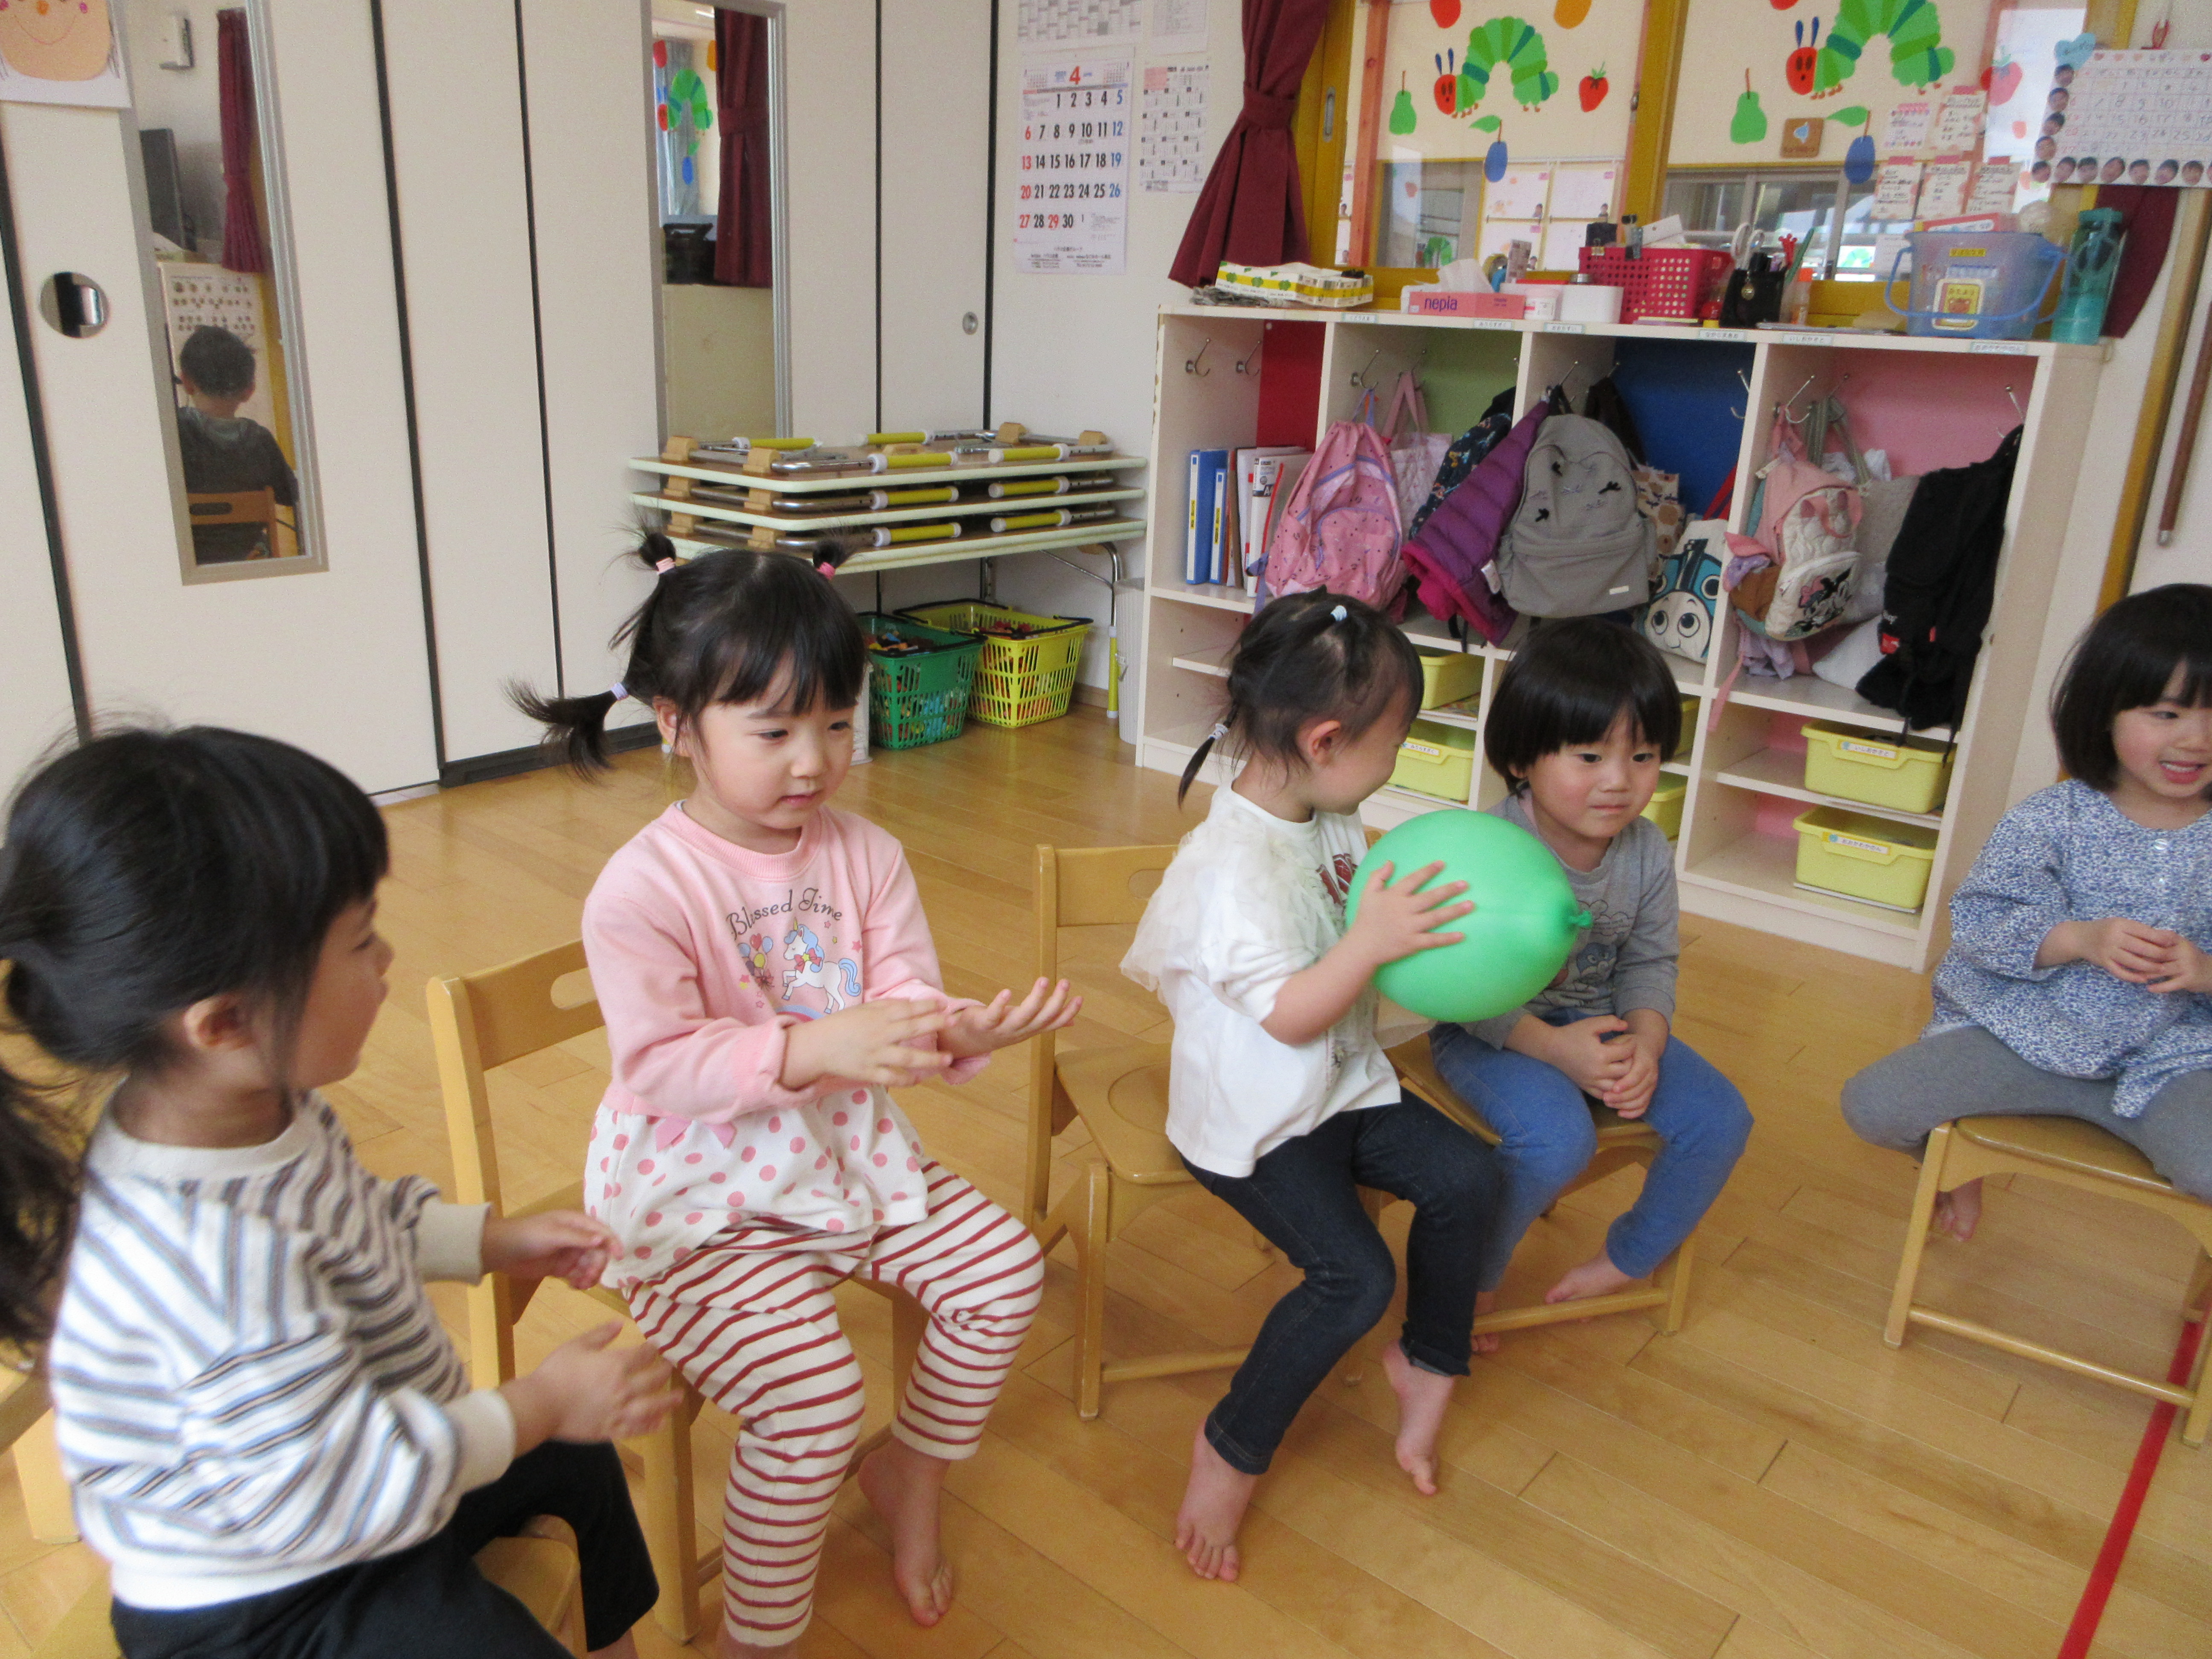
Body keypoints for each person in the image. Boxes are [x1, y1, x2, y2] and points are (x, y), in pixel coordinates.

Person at [515, 535, 1072, 1656]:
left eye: (837, 724)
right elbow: (661, 1065)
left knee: (1005, 1273)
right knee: (814, 1400)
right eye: (773, 732)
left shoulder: (867, 852)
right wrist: (817, 1046)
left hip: (844, 1157)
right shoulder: (642, 887)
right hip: (698, 1199)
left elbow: (902, 992)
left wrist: (949, 1029)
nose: (813, 761)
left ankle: (910, 1473)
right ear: (677, 726)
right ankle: (758, 1638)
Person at [3, 727, 672, 1659]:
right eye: (359, 941)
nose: (387, 958)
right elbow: (351, 1489)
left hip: (364, 1467)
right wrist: (541, 1403)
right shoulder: (211, 1257)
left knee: (579, 1464)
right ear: (225, 1023)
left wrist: (491, 1242)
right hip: (266, 1591)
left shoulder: (257, 1106)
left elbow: (353, 1218)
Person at [1122, 591, 1499, 1584]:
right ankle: (1229, 1447)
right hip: (1254, 1123)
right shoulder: (1230, 870)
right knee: (1353, 1278)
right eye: (1394, 744)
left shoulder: (1327, 810)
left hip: (1339, 1085)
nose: (1395, 763)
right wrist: (1372, 942)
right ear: (1326, 740)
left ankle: (1428, 1361)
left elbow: (1350, 941)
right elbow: (1290, 1012)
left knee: (1469, 1177)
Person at [1842, 585, 2212, 1237]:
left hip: (2173, 1061)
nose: (2197, 739)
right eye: (2166, 713)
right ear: (2104, 711)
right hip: (2028, 1037)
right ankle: (1957, 1168)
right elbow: (1980, 922)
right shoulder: (2052, 818)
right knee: (1874, 1105)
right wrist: (2078, 939)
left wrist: (2205, 971)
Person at [1426, 620, 1750, 1345]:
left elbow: (1649, 962)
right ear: (1522, 757)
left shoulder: (1646, 850)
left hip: (1601, 1025)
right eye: (1588, 755)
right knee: (1555, 1140)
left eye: (1642, 755)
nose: (1618, 780)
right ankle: (1470, 1275)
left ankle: (1629, 1257)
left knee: (1721, 1119)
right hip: (1493, 1031)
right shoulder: (1490, 849)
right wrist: (1553, 1048)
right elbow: (1460, 991)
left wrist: (1646, 1044)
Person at [173, 324, 298, 562]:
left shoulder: (171, 432)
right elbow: (290, 495)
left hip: (188, 560)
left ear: (186, 382)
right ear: (249, 389)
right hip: (246, 557)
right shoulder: (260, 439)